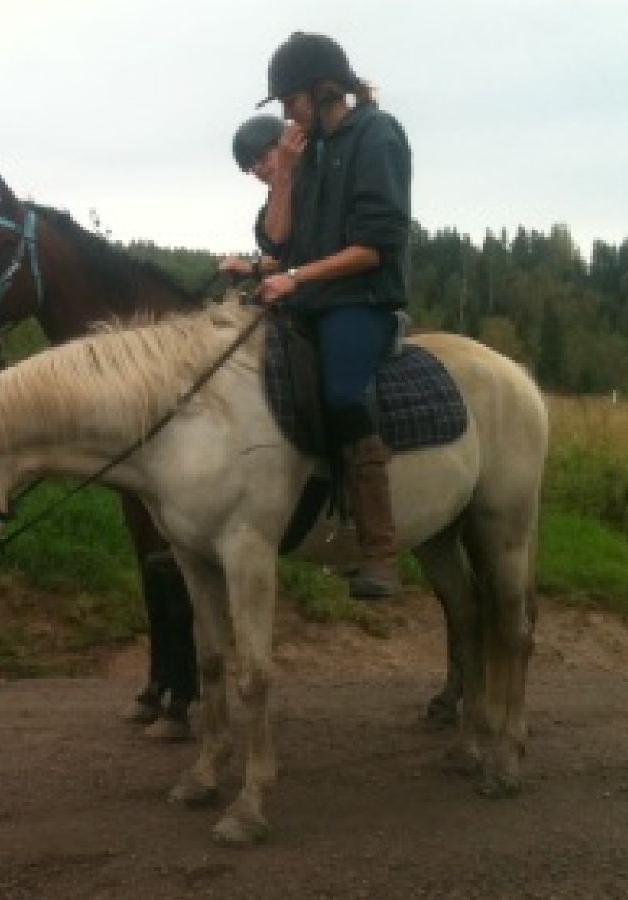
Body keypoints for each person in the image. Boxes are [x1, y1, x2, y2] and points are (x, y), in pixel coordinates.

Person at [253, 32, 412, 598]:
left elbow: (372, 248)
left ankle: (379, 549)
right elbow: (277, 238)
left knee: (343, 393)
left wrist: (295, 278)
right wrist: (288, 174)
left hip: (361, 302)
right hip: (310, 299)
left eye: (290, 100)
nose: (287, 114)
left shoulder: (378, 134)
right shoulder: (309, 152)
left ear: (323, 89)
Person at [218, 114, 307, 281]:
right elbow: (277, 252)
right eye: (251, 166)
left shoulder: (322, 188)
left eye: (262, 158)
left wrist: (251, 268)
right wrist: (250, 268)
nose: (258, 169)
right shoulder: (266, 215)